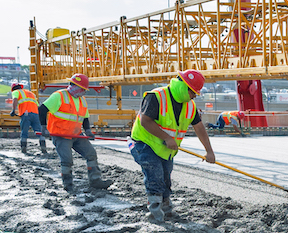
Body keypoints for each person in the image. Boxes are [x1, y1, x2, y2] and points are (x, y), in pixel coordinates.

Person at [129, 69, 215, 222]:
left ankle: (166, 209)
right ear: (184, 87)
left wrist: (209, 151)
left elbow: (199, 127)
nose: (194, 96)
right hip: (144, 144)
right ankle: (155, 213)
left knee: (165, 177)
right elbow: (145, 121)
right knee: (155, 176)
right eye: (193, 92)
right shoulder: (156, 96)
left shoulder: (190, 106)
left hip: (165, 149)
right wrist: (167, 138)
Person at [42, 73, 113, 193]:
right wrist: (44, 127)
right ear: (76, 87)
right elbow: (42, 109)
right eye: (83, 89)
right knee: (67, 160)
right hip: (61, 135)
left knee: (91, 153)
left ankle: (95, 181)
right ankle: (68, 185)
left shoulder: (82, 100)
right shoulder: (59, 96)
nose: (84, 92)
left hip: (76, 134)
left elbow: (84, 117)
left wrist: (88, 131)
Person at [11, 81, 47, 154]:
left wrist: (13, 110)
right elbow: (37, 105)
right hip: (35, 114)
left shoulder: (16, 92)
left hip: (26, 114)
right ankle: (44, 149)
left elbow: (15, 99)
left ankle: (24, 150)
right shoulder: (31, 94)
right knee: (39, 132)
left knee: (24, 132)